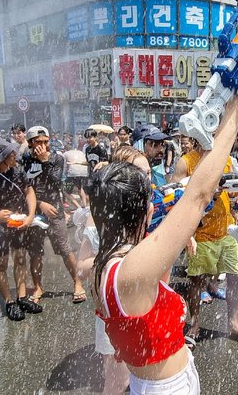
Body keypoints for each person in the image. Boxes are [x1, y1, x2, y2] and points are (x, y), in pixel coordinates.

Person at [89, 77, 238, 394]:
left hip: (155, 382)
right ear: (141, 207)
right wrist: (234, 115)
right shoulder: (136, 268)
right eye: (147, 191)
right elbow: (199, 194)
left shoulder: (110, 261)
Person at [76, 145, 153, 395]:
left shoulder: (146, 208)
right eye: (139, 175)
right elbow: (81, 268)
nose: (146, 181)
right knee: (116, 377)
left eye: (148, 174)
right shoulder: (102, 216)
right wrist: (117, 259)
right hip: (113, 310)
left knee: (139, 370)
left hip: (141, 306)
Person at [172, 131, 238, 350]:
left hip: (226, 231)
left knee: (236, 276)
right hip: (200, 233)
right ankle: (195, 324)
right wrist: (209, 194)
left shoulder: (225, 160)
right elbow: (173, 197)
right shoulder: (186, 162)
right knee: (196, 280)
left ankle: (233, 323)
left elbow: (232, 190)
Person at [22, 126, 86, 304]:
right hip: (35, 211)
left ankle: (77, 283)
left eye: (46, 142)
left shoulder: (57, 158)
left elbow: (56, 182)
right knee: (35, 252)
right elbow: (25, 185)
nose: (43, 146)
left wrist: (45, 161)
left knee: (64, 248)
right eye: (38, 142)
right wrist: (40, 204)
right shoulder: (26, 159)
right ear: (30, 143)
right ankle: (38, 287)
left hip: (55, 211)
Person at [0, 138, 42, 321]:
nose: (15, 155)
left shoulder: (17, 172)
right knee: (1, 263)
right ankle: (9, 301)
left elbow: (29, 191)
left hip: (19, 224)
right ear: (2, 158)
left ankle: (22, 297)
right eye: (11, 154)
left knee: (21, 258)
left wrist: (30, 215)